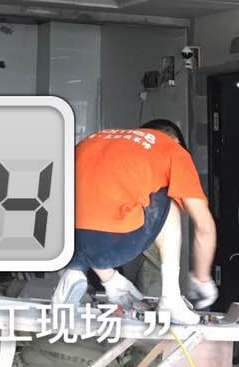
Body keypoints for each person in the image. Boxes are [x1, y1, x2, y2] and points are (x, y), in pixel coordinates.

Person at [53, 118, 218, 325]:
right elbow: (204, 227)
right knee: (172, 198)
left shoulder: (94, 139)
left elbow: (86, 215)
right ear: (177, 143)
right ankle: (171, 298)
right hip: (116, 242)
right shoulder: (173, 151)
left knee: (81, 200)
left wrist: (110, 279)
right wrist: (202, 279)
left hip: (63, 242)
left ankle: (73, 272)